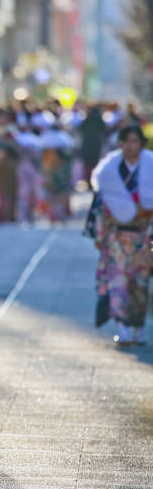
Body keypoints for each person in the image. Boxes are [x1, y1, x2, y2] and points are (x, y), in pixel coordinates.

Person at [87, 125, 153, 345]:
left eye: (135, 141)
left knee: (140, 284)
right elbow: (102, 205)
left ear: (141, 144)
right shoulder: (109, 170)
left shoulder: (150, 165)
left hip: (144, 236)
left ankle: (138, 328)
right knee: (118, 282)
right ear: (120, 144)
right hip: (117, 236)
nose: (130, 146)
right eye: (126, 141)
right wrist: (100, 234)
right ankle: (122, 328)